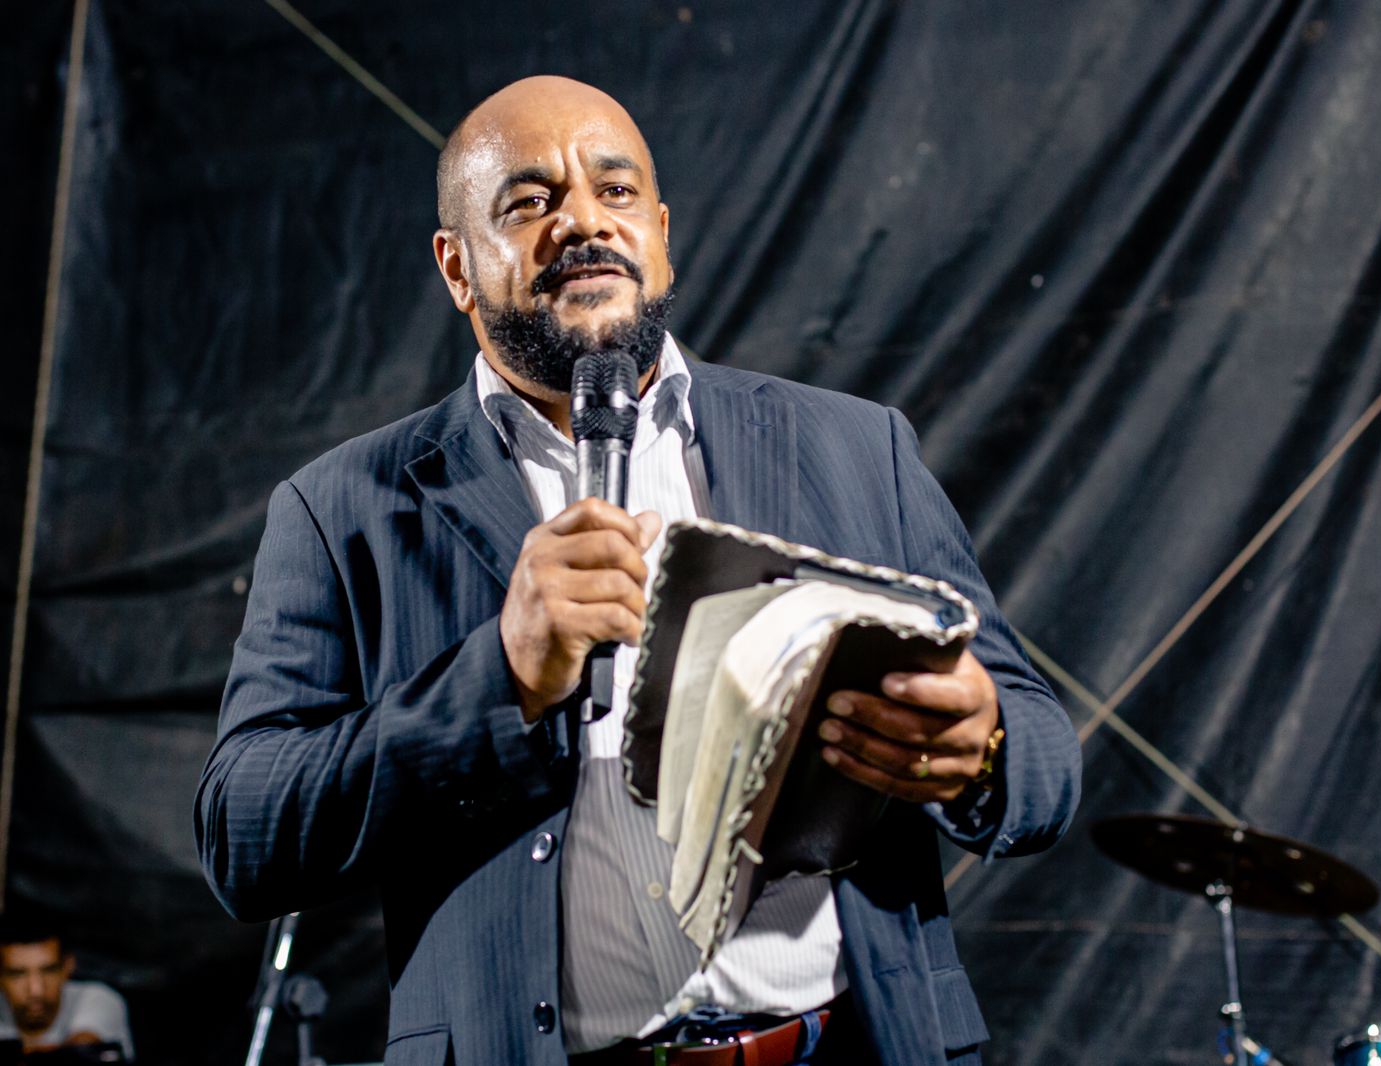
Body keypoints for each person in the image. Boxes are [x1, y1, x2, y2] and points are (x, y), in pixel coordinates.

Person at [195, 75, 1081, 1065]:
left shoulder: (854, 446)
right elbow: (244, 834)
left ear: (659, 234)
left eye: (614, 191)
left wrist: (982, 748)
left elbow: (1044, 761)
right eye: (529, 202)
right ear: (456, 266)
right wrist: (503, 678)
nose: (582, 221)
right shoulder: (343, 507)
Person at [0, 922, 133, 1061]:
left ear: (68, 966)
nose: (36, 990)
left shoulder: (98, 999)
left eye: (48, 971)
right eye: (17, 974)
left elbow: (80, 1054)